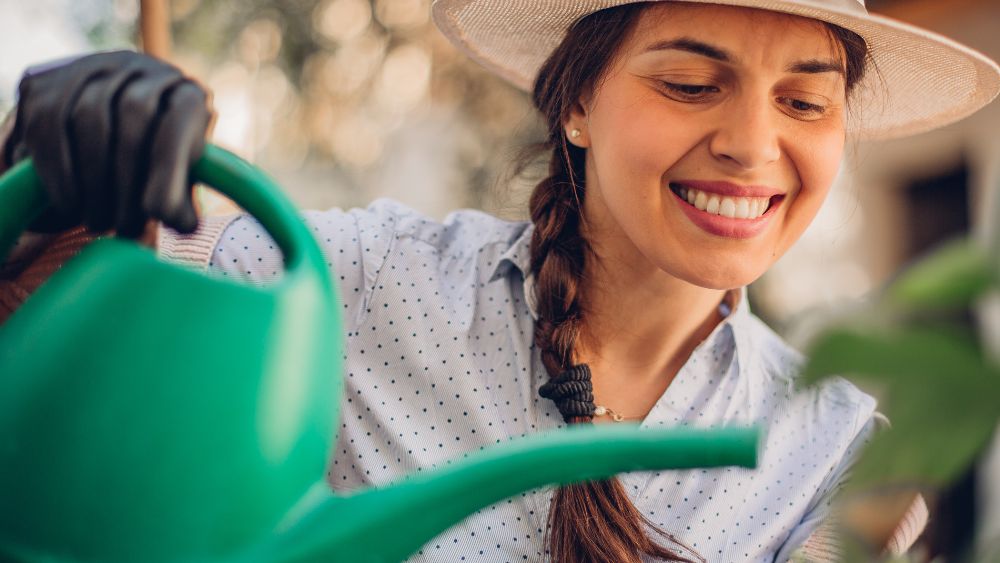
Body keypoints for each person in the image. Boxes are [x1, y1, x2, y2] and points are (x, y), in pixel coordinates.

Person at [1, 0, 998, 561]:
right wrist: (73, 174)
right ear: (575, 106)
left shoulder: (828, 447)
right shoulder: (364, 279)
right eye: (688, 83)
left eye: (805, 103)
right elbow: (97, 293)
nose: (750, 144)